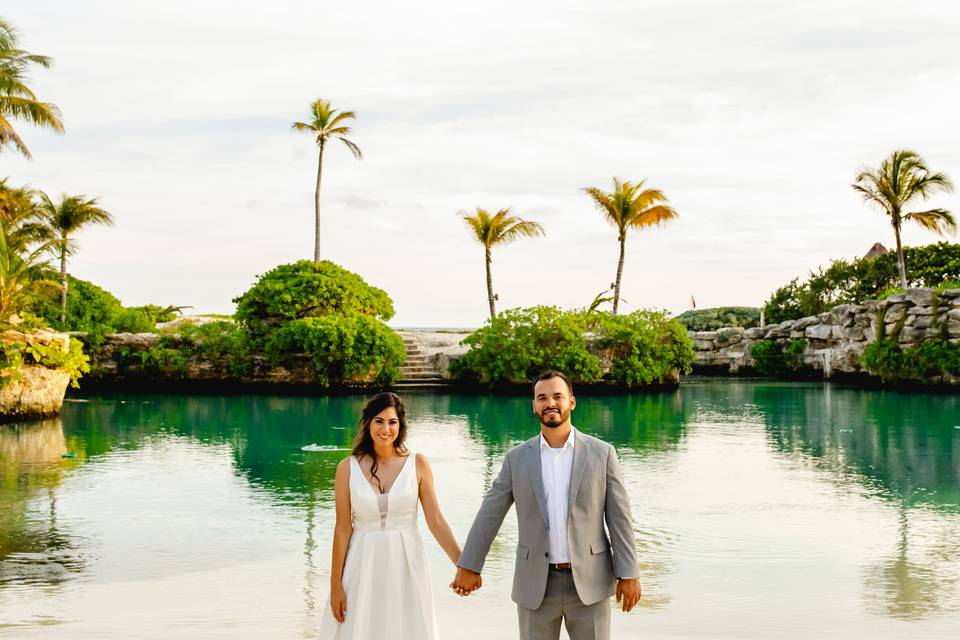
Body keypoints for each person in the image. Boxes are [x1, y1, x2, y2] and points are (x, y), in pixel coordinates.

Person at [450, 370, 641, 640]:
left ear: (571, 402)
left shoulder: (602, 453)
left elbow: (620, 519)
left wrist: (629, 572)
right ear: (534, 406)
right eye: (542, 398)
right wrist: (469, 566)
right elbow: (489, 514)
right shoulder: (516, 459)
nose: (550, 403)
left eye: (557, 396)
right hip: (535, 585)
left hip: (590, 582)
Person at [319, 392, 461, 640]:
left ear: (401, 424)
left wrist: (464, 564)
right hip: (361, 563)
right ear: (368, 423)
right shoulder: (346, 468)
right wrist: (335, 587)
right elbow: (342, 529)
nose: (386, 429)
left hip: (406, 563)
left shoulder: (418, 463)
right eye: (379, 421)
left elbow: (435, 520)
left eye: (392, 422)